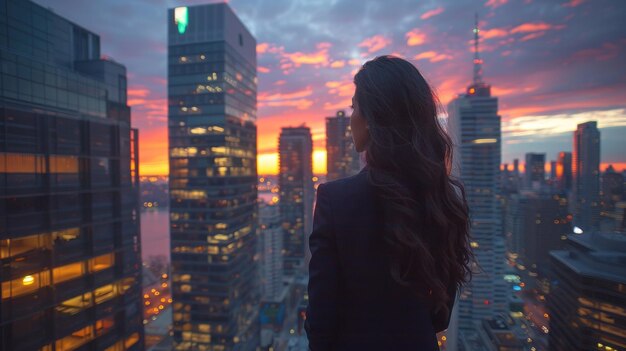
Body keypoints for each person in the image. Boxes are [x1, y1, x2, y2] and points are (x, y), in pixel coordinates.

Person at [305, 55, 474, 350]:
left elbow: (320, 325)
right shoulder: (442, 198)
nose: (351, 119)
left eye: (354, 107)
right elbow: (440, 317)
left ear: (371, 120)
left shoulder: (335, 200)